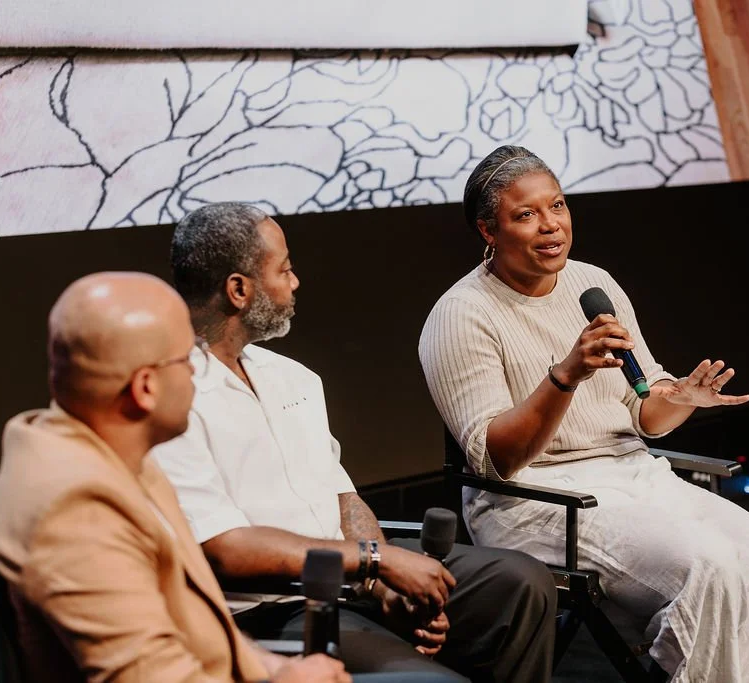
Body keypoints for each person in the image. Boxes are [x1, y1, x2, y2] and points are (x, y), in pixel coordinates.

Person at [418, 145, 749, 682]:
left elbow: (644, 412)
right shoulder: (460, 315)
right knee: (711, 571)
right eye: (527, 214)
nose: (552, 226)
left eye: (558, 206)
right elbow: (496, 461)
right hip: (535, 499)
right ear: (487, 231)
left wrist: (678, 398)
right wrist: (564, 377)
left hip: (632, 473)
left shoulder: (594, 284)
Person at [150, 203, 558, 682]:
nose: (295, 281)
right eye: (284, 269)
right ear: (239, 290)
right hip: (270, 609)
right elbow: (225, 548)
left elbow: (343, 499)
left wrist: (382, 585)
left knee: (520, 583)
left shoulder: (293, 378)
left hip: (351, 576)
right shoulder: (172, 399)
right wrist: (377, 562)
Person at [0, 272, 348, 682]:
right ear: (145, 388)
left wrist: (275, 666)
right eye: (188, 355)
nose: (200, 369)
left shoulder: (117, 457)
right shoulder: (76, 516)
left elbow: (200, 627)